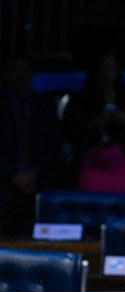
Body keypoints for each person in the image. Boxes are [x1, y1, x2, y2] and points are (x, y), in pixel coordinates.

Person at [62, 52, 125, 193]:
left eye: (112, 68)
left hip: (121, 167)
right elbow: (69, 133)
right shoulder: (81, 99)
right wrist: (94, 122)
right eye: (103, 68)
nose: (107, 73)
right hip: (90, 167)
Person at [0, 53, 62, 236]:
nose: (20, 75)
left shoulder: (44, 103)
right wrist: (13, 175)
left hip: (39, 184)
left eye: (25, 70)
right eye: (14, 70)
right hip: (3, 184)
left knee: (35, 240)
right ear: (4, 73)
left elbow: (54, 144)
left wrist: (34, 173)